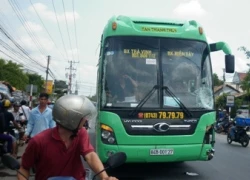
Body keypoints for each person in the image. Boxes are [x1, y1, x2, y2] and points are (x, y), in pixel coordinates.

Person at [18, 95, 118, 180]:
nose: (85, 122)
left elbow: (90, 155)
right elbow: (24, 168)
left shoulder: (81, 133)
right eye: (83, 119)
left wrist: (105, 177)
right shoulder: (38, 141)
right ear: (73, 120)